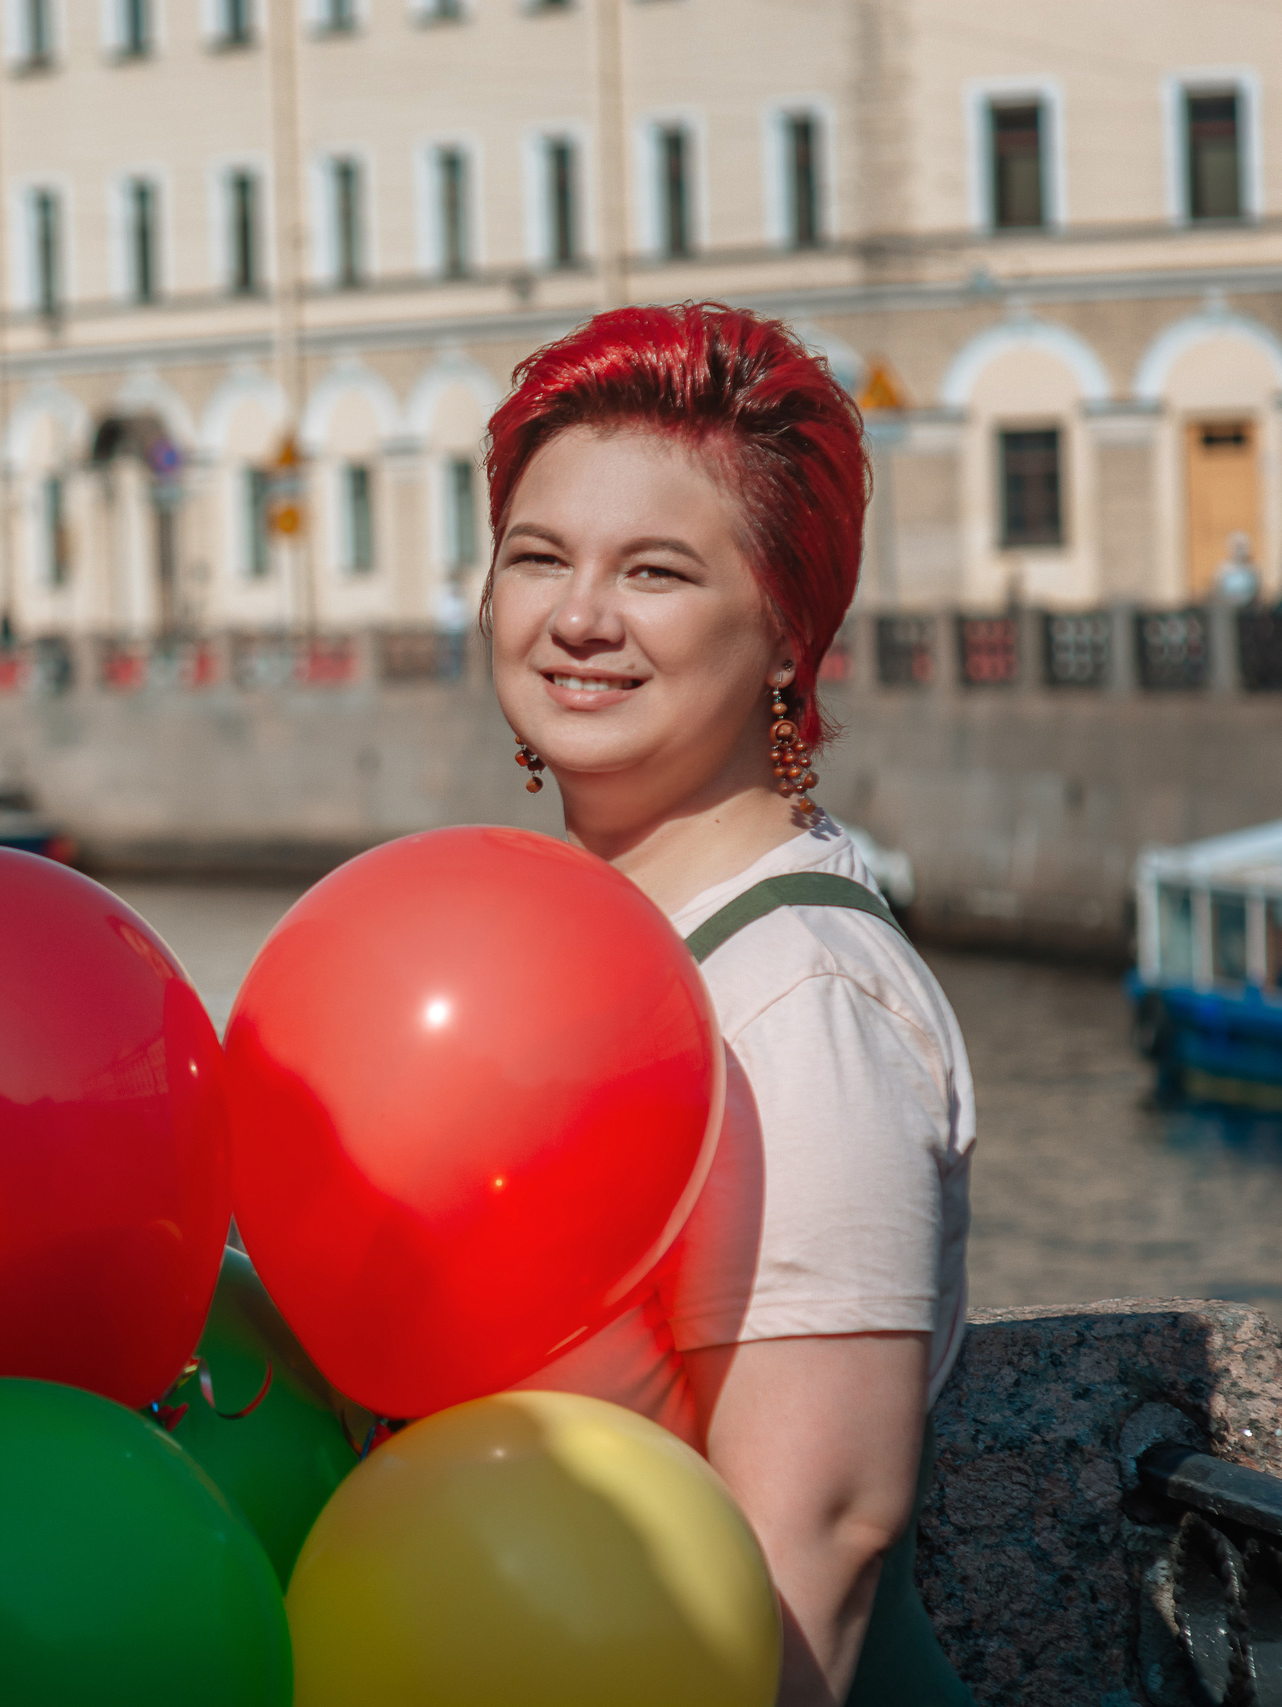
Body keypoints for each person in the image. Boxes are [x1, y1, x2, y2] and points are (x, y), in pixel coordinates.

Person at [480, 303, 978, 1707]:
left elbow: (813, 1541)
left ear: (781, 636)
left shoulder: (799, 995)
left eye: (657, 571)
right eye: (537, 558)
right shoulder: (569, 950)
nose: (579, 616)